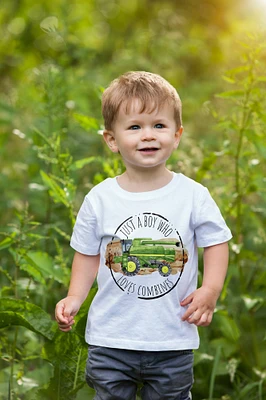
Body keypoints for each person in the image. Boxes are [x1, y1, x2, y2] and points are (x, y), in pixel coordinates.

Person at [55, 71, 232, 400]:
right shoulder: (101, 198)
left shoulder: (192, 196)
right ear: (111, 139)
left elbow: (216, 242)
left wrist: (211, 289)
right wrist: (75, 297)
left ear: (177, 135)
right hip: (111, 338)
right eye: (135, 126)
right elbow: (88, 253)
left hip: (171, 339)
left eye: (159, 126)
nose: (147, 135)